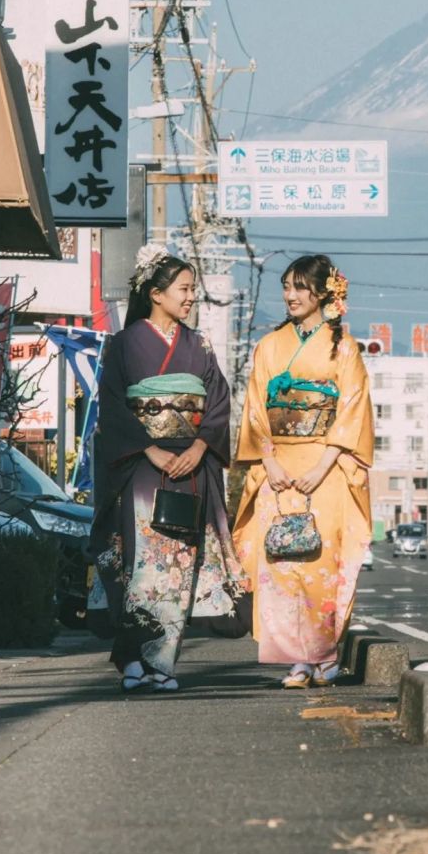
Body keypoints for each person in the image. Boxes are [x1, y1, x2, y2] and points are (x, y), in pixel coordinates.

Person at [91, 244, 251, 693]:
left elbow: (217, 402)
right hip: (142, 466)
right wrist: (148, 449)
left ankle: (162, 661)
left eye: (192, 289)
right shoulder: (124, 344)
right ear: (155, 293)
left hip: (190, 465)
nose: (191, 297)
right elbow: (112, 407)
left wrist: (200, 446)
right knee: (142, 563)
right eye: (183, 289)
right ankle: (131, 658)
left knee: (179, 562)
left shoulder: (199, 345)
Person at [233, 255, 373, 689]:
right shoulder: (269, 346)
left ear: (323, 293)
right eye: (286, 287)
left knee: (322, 560)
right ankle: (296, 659)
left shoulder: (343, 348)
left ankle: (324, 654)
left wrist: (324, 464)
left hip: (326, 466)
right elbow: (256, 408)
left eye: (299, 287)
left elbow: (352, 409)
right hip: (278, 464)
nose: (290, 296)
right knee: (279, 562)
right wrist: (269, 461)